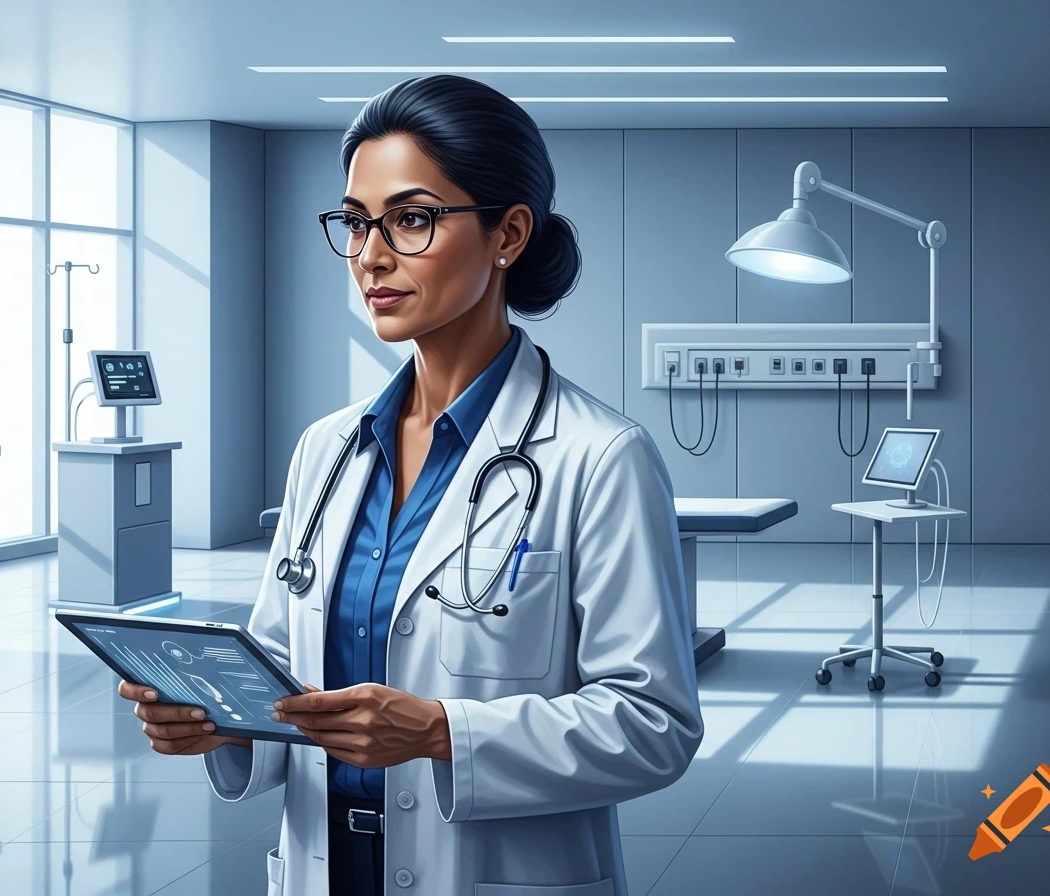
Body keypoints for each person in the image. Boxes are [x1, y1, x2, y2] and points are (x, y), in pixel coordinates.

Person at [120, 74, 703, 896]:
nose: (370, 256)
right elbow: (283, 668)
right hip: (327, 865)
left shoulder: (600, 457)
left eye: (412, 219)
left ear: (508, 235)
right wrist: (220, 721)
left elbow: (654, 724)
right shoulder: (327, 450)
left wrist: (440, 733)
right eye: (357, 223)